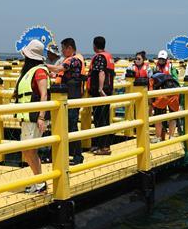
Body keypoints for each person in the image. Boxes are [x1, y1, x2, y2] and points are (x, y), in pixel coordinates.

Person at [14, 39, 50, 193]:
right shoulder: (30, 71)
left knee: (30, 151)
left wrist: (41, 117)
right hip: (27, 117)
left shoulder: (40, 71)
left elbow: (44, 95)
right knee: (27, 151)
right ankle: (38, 181)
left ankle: (40, 183)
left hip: (35, 117)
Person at [48, 37, 85, 165]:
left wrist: (42, 66)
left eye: (63, 48)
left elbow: (59, 69)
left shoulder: (74, 60)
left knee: (72, 126)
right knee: (65, 126)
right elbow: (59, 73)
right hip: (66, 97)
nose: (62, 51)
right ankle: (64, 154)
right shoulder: (71, 60)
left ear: (69, 48)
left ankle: (78, 156)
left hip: (72, 98)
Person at [87, 36, 115, 155]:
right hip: (107, 91)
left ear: (94, 45)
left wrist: (100, 89)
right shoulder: (108, 56)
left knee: (100, 120)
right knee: (104, 119)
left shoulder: (99, 57)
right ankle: (102, 145)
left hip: (101, 93)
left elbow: (101, 72)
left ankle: (103, 147)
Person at [150, 50, 180, 142]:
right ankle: (158, 137)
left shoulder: (171, 68)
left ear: (166, 59)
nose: (161, 61)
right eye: (160, 59)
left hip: (171, 95)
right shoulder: (154, 68)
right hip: (160, 96)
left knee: (172, 116)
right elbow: (151, 81)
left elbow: (176, 80)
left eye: (163, 59)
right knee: (158, 116)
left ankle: (171, 136)